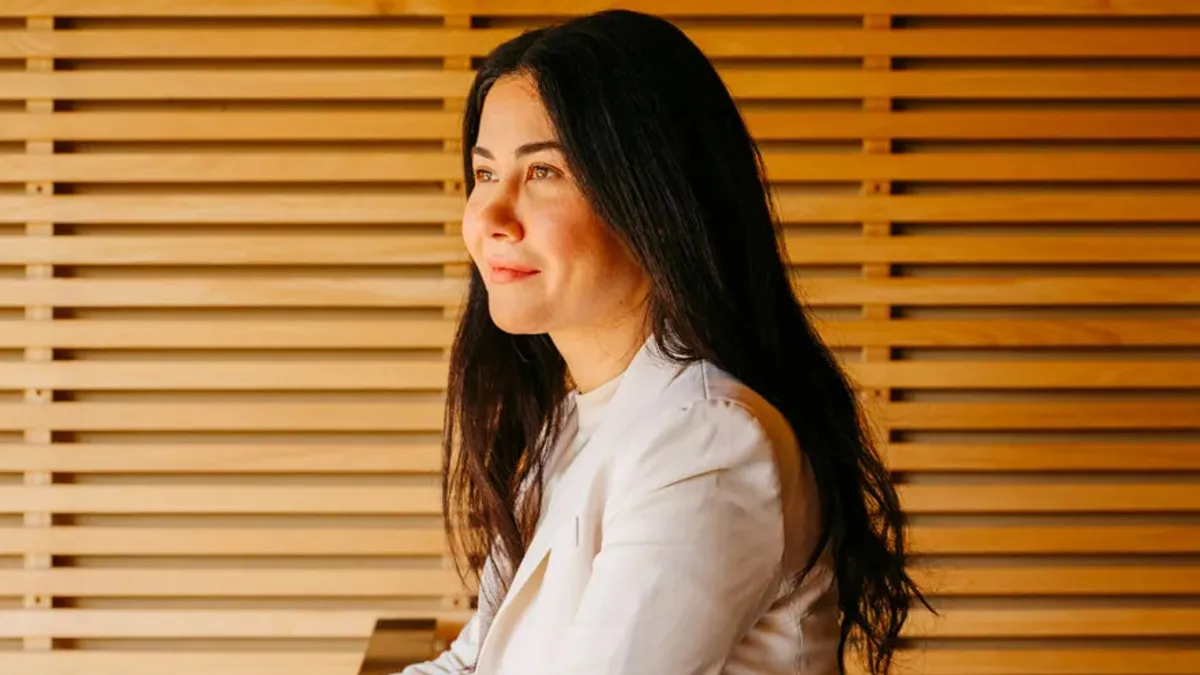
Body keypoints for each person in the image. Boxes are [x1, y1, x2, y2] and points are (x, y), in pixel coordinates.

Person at [399, 9, 927, 675]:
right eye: (484, 173)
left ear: (653, 199)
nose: (493, 216)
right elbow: (474, 661)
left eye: (544, 173)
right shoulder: (573, 426)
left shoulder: (709, 441)